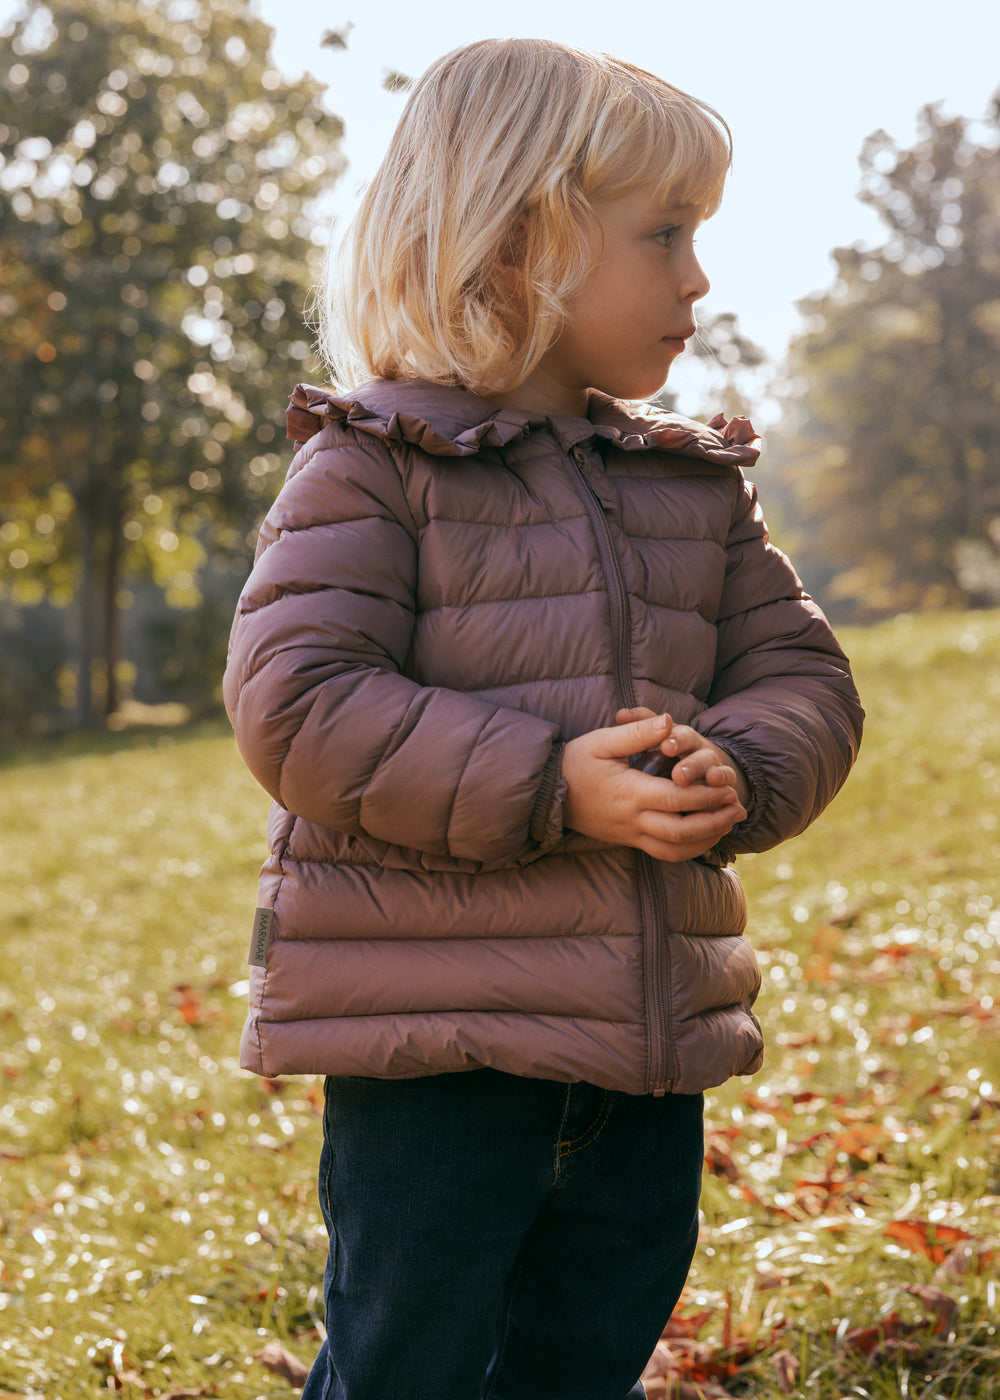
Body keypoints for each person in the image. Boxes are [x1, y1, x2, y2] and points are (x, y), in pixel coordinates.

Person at [223, 37, 863, 1400]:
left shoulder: (694, 490)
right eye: (669, 235)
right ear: (522, 243)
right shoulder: (371, 467)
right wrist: (548, 781)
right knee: (411, 1360)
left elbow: (805, 679)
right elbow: (299, 698)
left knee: (587, 1351)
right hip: (439, 1053)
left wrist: (737, 766)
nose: (698, 277)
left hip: (643, 1049)